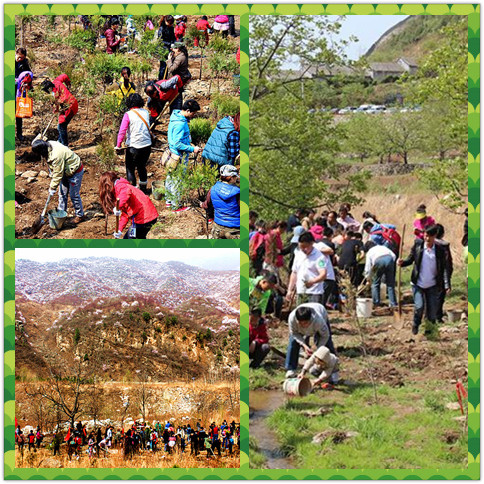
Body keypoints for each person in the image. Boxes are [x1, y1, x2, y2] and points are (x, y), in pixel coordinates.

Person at [398, 225, 451, 335]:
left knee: (432, 311)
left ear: (435, 236)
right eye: (425, 236)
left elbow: (444, 268)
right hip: (418, 283)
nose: (427, 239)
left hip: (433, 284)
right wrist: (402, 263)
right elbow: (410, 259)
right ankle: (416, 324)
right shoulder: (418, 245)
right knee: (419, 306)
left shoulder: (440, 251)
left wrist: (447, 284)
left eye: (430, 236)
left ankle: (429, 331)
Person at [31, 139, 85, 224]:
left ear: (42, 150)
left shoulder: (56, 155)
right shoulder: (48, 145)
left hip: (75, 171)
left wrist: (52, 187)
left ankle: (80, 215)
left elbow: (58, 174)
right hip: (65, 170)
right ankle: (61, 214)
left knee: (74, 195)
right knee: (62, 194)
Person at [165, 99, 201, 211]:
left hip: (172, 154)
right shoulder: (180, 124)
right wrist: (192, 148)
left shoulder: (176, 117)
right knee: (177, 180)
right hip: (178, 156)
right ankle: (176, 205)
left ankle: (168, 201)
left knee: (170, 177)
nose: (193, 116)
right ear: (188, 110)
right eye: (193, 113)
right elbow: (177, 143)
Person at [99, 171, 158, 239]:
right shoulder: (118, 190)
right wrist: (119, 230)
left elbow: (126, 192)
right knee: (139, 237)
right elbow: (125, 214)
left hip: (145, 217)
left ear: (107, 184)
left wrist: (118, 206)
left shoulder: (120, 186)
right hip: (146, 217)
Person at [285, 303, 336, 378]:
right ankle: (291, 368)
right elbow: (294, 334)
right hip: (298, 331)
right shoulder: (292, 318)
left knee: (327, 344)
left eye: (305, 323)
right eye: (300, 323)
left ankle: (332, 367)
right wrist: (304, 345)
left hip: (321, 312)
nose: (303, 325)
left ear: (310, 319)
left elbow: (325, 336)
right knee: (293, 342)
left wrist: (319, 350)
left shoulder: (319, 320)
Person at [115, 93, 152, 193]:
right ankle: (143, 189)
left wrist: (118, 145)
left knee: (130, 168)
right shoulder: (145, 112)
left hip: (134, 146)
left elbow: (122, 131)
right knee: (141, 166)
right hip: (147, 145)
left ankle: (133, 189)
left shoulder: (128, 114)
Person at [286, 231, 332, 306]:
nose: (303, 249)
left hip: (315, 293)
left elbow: (323, 274)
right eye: (301, 247)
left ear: (312, 243)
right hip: (301, 291)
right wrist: (289, 290)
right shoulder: (298, 255)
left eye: (305, 247)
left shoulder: (319, 257)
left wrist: (312, 281)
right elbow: (294, 273)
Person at [201, 164, 240, 239]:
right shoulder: (238, 192)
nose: (237, 178)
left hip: (218, 228)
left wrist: (201, 204)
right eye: (236, 176)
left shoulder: (213, 188)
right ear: (231, 178)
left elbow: (207, 205)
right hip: (235, 230)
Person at [41, 76, 78, 146]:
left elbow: (56, 107)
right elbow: (64, 76)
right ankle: (59, 141)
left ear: (48, 89)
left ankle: (64, 145)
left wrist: (54, 110)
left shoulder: (54, 95)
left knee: (61, 126)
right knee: (61, 126)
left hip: (70, 108)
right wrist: (68, 84)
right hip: (72, 103)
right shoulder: (56, 81)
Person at [364, 242, 398, 308]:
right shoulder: (383, 247)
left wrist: (367, 277)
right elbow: (394, 255)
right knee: (390, 284)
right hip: (389, 259)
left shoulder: (369, 252)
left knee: (375, 283)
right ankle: (393, 303)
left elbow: (367, 266)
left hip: (378, 261)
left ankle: (376, 303)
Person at [162, 43, 191, 108]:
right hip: (177, 79)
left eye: (174, 48)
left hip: (179, 80)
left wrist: (169, 60)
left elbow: (172, 68)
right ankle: (174, 109)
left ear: (178, 49)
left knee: (177, 96)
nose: (172, 49)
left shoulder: (180, 58)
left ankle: (176, 109)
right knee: (174, 95)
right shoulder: (179, 55)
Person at [435, 223, 453, 323]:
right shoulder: (444, 246)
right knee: (440, 297)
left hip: (433, 274)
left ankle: (434, 316)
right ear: (442, 234)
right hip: (442, 274)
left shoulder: (431, 245)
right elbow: (448, 264)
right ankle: (437, 316)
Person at [15, 70, 33, 142]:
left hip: (19, 102)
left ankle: (19, 134)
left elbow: (31, 90)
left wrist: (27, 86)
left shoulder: (29, 78)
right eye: (23, 82)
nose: (24, 84)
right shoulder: (16, 82)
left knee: (19, 117)